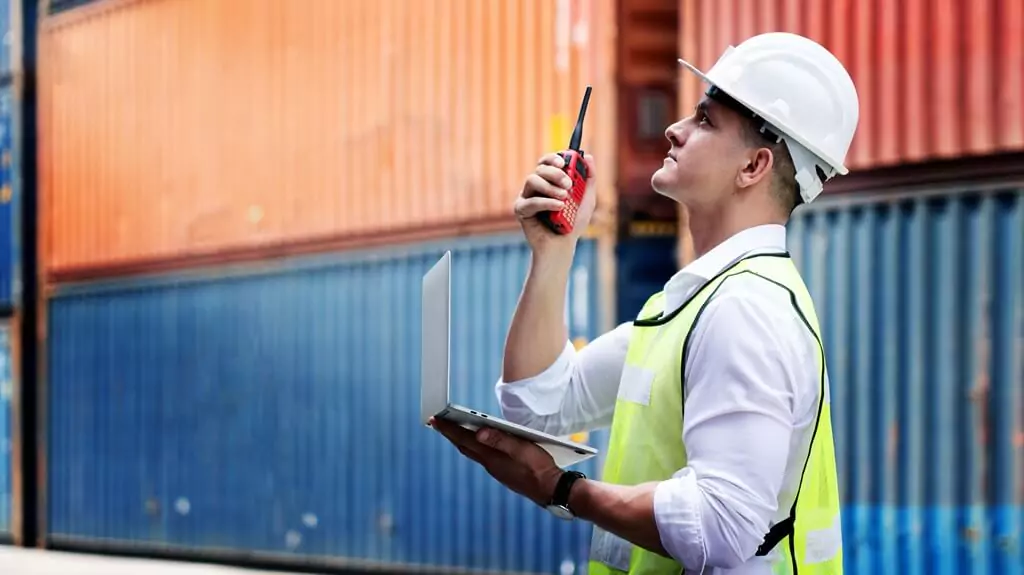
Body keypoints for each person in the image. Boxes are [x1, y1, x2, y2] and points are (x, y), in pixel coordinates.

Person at [431, 31, 859, 575]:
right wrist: (555, 250)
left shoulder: (744, 310)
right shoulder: (690, 307)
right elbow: (540, 406)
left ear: (753, 167)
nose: (674, 129)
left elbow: (720, 528)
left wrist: (562, 488)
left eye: (705, 121)